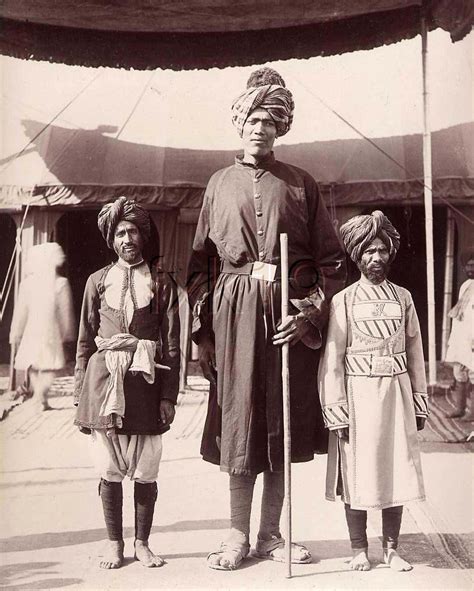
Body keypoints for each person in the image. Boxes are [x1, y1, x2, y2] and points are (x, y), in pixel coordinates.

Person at [187, 67, 346, 570]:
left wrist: (309, 315)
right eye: (252, 119)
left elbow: (332, 261)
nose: (260, 128)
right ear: (239, 124)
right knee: (240, 424)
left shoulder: (301, 184)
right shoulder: (217, 184)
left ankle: (272, 535)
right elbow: (199, 269)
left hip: (285, 321)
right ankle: (236, 536)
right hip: (232, 321)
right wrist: (205, 334)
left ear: (281, 128)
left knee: (282, 424)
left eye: (269, 121)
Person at [318, 210, 429, 572]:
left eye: (381, 250)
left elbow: (415, 351)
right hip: (358, 398)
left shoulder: (403, 298)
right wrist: (336, 410)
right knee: (357, 472)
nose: (376, 258)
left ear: (390, 254)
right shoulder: (344, 301)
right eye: (368, 251)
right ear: (357, 256)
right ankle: (359, 548)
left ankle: (393, 548)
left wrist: (419, 401)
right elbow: (333, 358)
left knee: (395, 468)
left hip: (396, 396)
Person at [74, 197, 180, 569]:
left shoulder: (161, 282)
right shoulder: (97, 282)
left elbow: (171, 343)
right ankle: (113, 543)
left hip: (147, 387)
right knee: (108, 466)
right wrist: (78, 395)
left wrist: (169, 396)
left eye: (133, 231)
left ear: (143, 236)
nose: (127, 238)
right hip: (103, 387)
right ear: (111, 239)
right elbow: (85, 340)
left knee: (146, 467)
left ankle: (143, 543)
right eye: (120, 233)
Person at [9, 242, 75, 411]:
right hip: (50, 330)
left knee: (34, 363)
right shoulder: (60, 283)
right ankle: (41, 397)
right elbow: (65, 311)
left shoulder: (28, 284)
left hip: (32, 329)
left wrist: (16, 331)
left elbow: (20, 311)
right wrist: (67, 330)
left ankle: (40, 396)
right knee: (48, 365)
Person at [444, 249, 474, 420]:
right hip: (461, 337)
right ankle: (460, 408)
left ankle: (472, 412)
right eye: (468, 266)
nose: (470, 269)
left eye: (473, 265)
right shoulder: (465, 286)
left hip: (472, 339)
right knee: (459, 372)